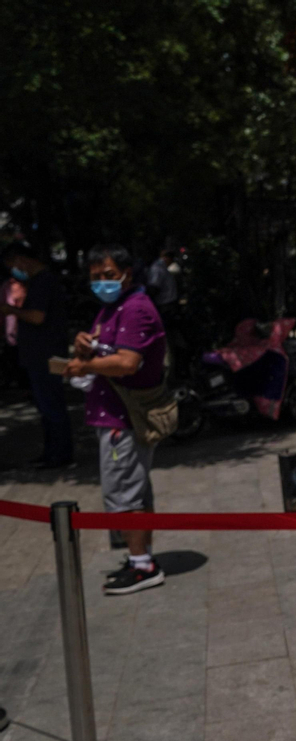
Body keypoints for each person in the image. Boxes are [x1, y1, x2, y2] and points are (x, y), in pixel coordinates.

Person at [66, 244, 168, 593]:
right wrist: (85, 348)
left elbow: (127, 363)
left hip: (122, 419)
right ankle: (141, 557)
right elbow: (107, 351)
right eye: (95, 277)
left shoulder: (136, 309)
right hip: (110, 414)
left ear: (126, 274)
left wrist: (84, 365)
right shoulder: (111, 309)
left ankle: (143, 565)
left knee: (123, 494)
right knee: (133, 491)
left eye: (108, 275)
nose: (102, 283)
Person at [1, 241, 73, 468]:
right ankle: (53, 451)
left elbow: (37, 317)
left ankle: (60, 455)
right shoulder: (39, 281)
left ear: (21, 259)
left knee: (52, 404)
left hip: (48, 355)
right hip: (46, 353)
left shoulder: (43, 282)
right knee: (47, 405)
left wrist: (11, 310)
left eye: (12, 264)